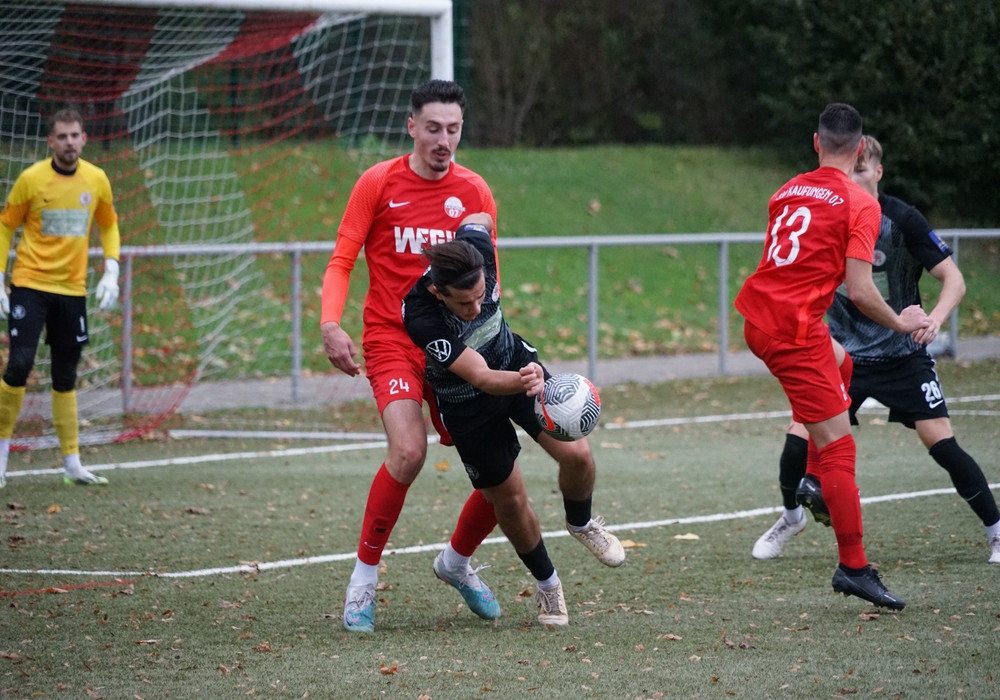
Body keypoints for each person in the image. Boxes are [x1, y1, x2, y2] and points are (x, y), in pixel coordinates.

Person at [321, 80, 622, 633]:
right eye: (433, 128)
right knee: (408, 452)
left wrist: (508, 352)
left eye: (453, 129)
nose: (444, 140)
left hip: (468, 348)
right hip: (396, 340)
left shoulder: (474, 190)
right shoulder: (378, 182)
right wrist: (330, 322)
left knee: (502, 474)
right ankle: (363, 581)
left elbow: (486, 285)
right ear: (412, 127)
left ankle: (457, 562)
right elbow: (342, 260)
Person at [752, 135, 1000, 565]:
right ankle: (791, 518)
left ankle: (996, 530)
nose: (852, 177)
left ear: (878, 172)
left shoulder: (901, 219)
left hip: (901, 355)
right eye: (849, 169)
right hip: (840, 351)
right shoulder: (828, 212)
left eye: (862, 170)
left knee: (941, 442)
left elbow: (954, 279)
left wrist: (934, 319)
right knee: (797, 439)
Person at [734, 103, 930, 610]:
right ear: (861, 149)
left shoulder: (787, 190)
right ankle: (854, 568)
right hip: (793, 334)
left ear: (816, 143)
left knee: (844, 364)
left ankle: (813, 479)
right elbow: (861, 291)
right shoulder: (861, 204)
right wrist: (902, 322)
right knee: (841, 449)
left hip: (761, 318)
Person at [403, 217, 624, 626]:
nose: (476, 308)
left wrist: (472, 221)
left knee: (578, 455)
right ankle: (548, 585)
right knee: (509, 499)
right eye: (464, 304)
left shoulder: (477, 250)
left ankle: (581, 523)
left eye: (481, 296)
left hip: (518, 364)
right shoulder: (419, 314)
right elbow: (482, 376)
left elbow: (482, 219)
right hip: (469, 404)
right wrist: (529, 379)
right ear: (438, 291)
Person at [0, 108, 120, 489]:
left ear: (84, 139)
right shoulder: (31, 180)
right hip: (30, 285)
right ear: (50, 141)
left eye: (75, 135)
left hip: (72, 291)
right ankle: (0, 460)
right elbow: (5, 226)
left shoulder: (96, 179)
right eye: (62, 136)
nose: (69, 142)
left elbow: (109, 224)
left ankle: (72, 464)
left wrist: (112, 270)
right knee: (19, 365)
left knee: (66, 374)